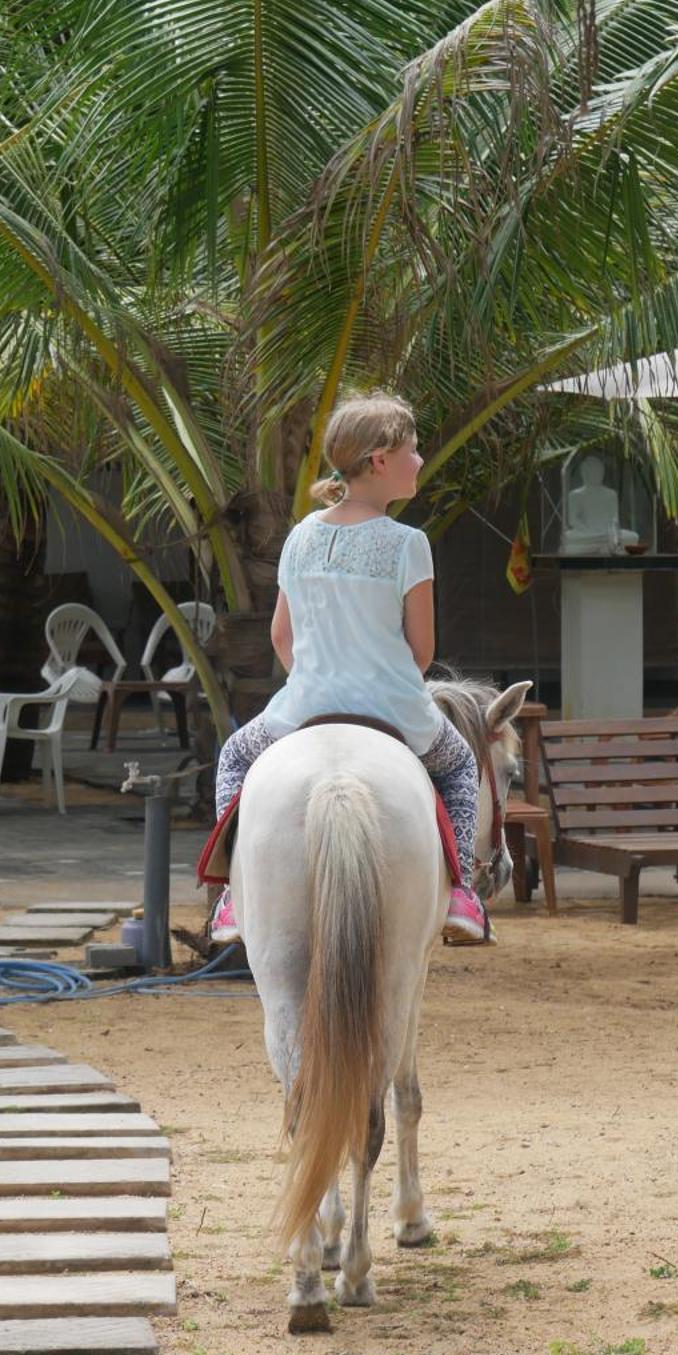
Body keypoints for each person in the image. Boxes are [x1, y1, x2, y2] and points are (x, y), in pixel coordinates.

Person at [208, 392, 493, 947]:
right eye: (412, 451)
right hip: (393, 708)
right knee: (460, 768)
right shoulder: (408, 544)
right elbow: (422, 651)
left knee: (235, 757)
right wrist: (378, 680)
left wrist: (319, 677)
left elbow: (281, 637)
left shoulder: (300, 537)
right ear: (380, 461)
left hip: (306, 706)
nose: (419, 461)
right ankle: (462, 893)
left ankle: (230, 898)